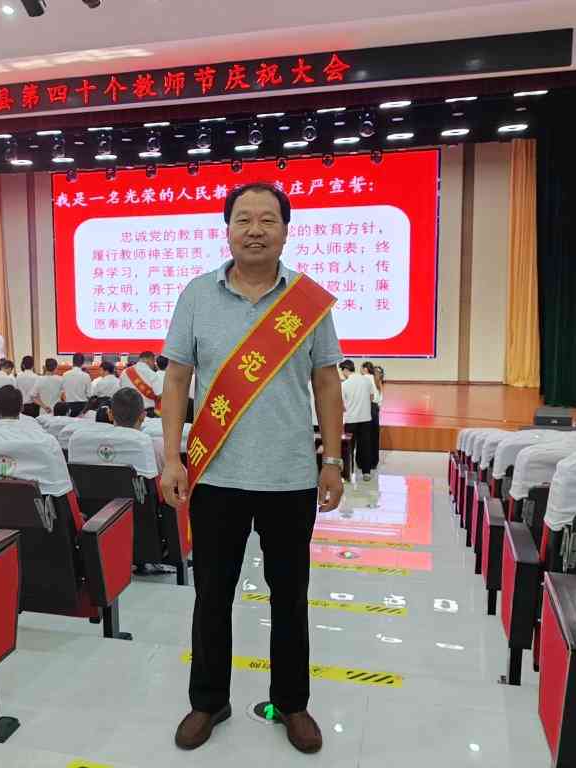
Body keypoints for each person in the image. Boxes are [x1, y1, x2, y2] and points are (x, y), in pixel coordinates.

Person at [160, 183, 343, 754]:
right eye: (244, 219)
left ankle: (291, 703)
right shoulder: (197, 295)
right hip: (215, 477)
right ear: (228, 229)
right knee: (212, 597)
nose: (255, 230)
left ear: (285, 230)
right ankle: (208, 701)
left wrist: (332, 460)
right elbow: (176, 380)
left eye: (268, 219)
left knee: (290, 598)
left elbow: (327, 382)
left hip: (290, 477)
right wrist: (172, 457)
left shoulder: (306, 302)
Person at [339, 359, 375, 481]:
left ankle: (348, 473)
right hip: (366, 419)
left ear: (345, 369)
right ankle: (366, 472)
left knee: (348, 447)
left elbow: (342, 405)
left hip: (350, 420)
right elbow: (371, 397)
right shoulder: (366, 380)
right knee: (365, 446)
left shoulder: (344, 384)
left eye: (342, 371)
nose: (342, 374)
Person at [121, 350, 163, 417]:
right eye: (153, 362)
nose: (154, 365)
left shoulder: (124, 372)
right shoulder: (152, 374)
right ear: (150, 360)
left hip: (128, 412)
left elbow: (121, 391)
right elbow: (160, 394)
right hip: (147, 414)